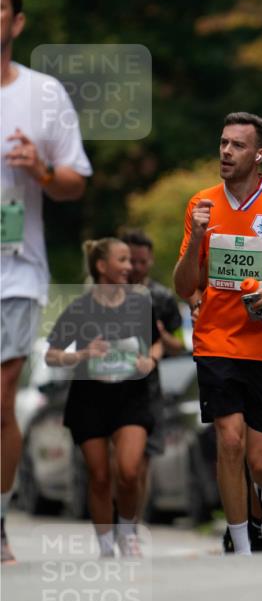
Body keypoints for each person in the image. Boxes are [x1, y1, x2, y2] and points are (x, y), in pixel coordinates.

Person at [174, 112, 262, 555]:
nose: (226, 152)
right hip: (216, 342)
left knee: (261, 460)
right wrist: (197, 238)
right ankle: (240, 542)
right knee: (229, 441)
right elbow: (183, 287)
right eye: (223, 143)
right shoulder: (201, 204)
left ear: (259, 154)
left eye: (236, 145)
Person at [1, 0, 92, 565]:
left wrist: (38, 170)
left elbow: (74, 183)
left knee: (0, 393)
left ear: (17, 21)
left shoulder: (42, 94)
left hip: (15, 268)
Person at [45, 238, 162, 558]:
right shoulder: (80, 308)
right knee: (99, 477)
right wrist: (82, 353)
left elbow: (157, 343)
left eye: (130, 261)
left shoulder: (140, 303)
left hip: (131, 397)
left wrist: (149, 360)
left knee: (128, 471)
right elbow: (51, 355)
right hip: (90, 400)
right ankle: (106, 545)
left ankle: (128, 531)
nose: (130, 267)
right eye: (122, 260)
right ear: (102, 266)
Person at [119, 228, 185, 511]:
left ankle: (131, 525)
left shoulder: (162, 298)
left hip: (147, 391)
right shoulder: (104, 292)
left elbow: (179, 344)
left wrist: (161, 335)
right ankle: (116, 520)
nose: (134, 268)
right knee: (116, 466)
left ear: (151, 261)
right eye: (128, 261)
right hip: (109, 389)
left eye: (141, 262)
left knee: (137, 464)